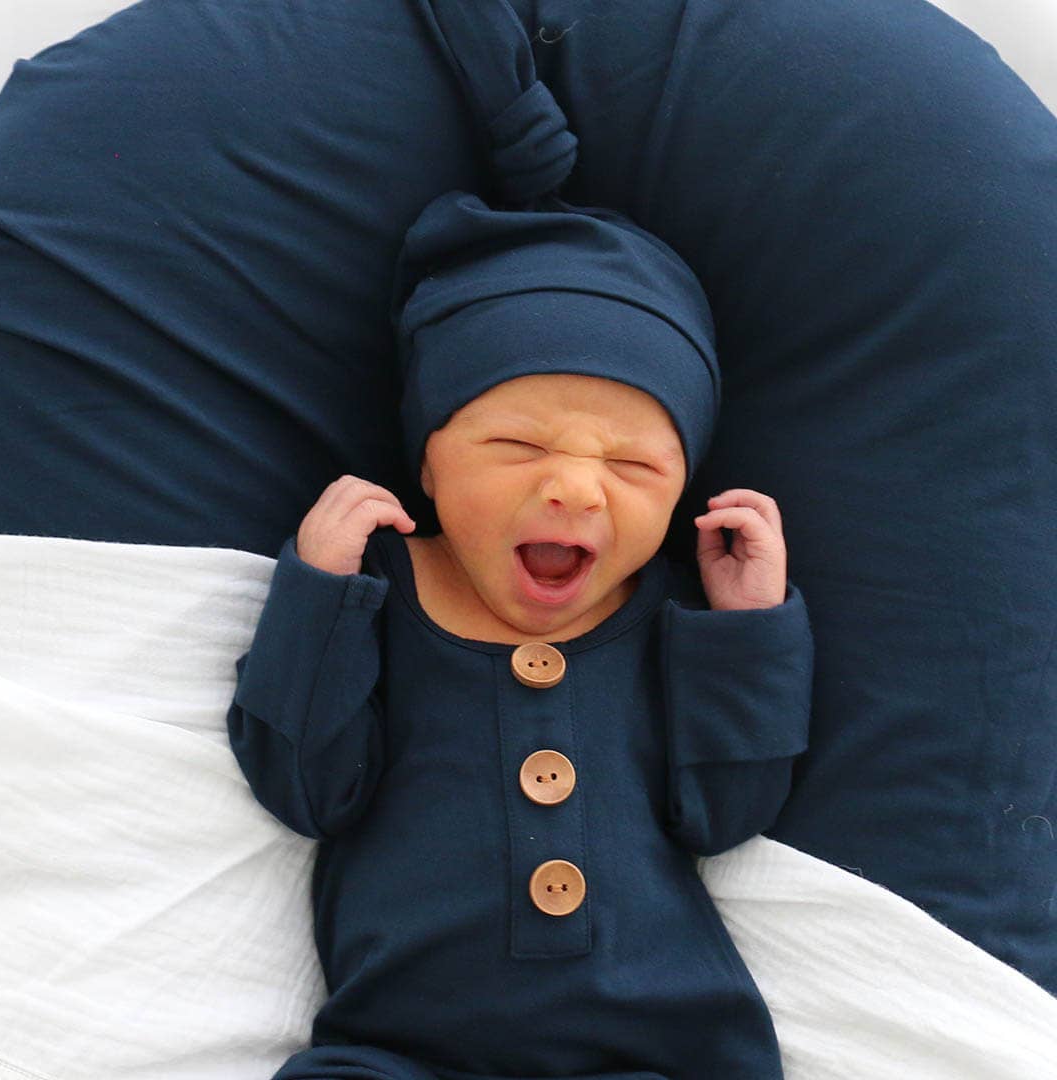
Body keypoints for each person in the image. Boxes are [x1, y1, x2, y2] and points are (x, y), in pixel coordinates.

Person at [227, 191, 813, 1080]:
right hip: (397, 1047)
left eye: (632, 464)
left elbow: (724, 815)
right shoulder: (375, 588)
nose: (578, 488)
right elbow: (306, 791)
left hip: (659, 1041)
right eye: (515, 445)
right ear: (427, 458)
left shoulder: (674, 617)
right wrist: (319, 592)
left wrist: (747, 628)